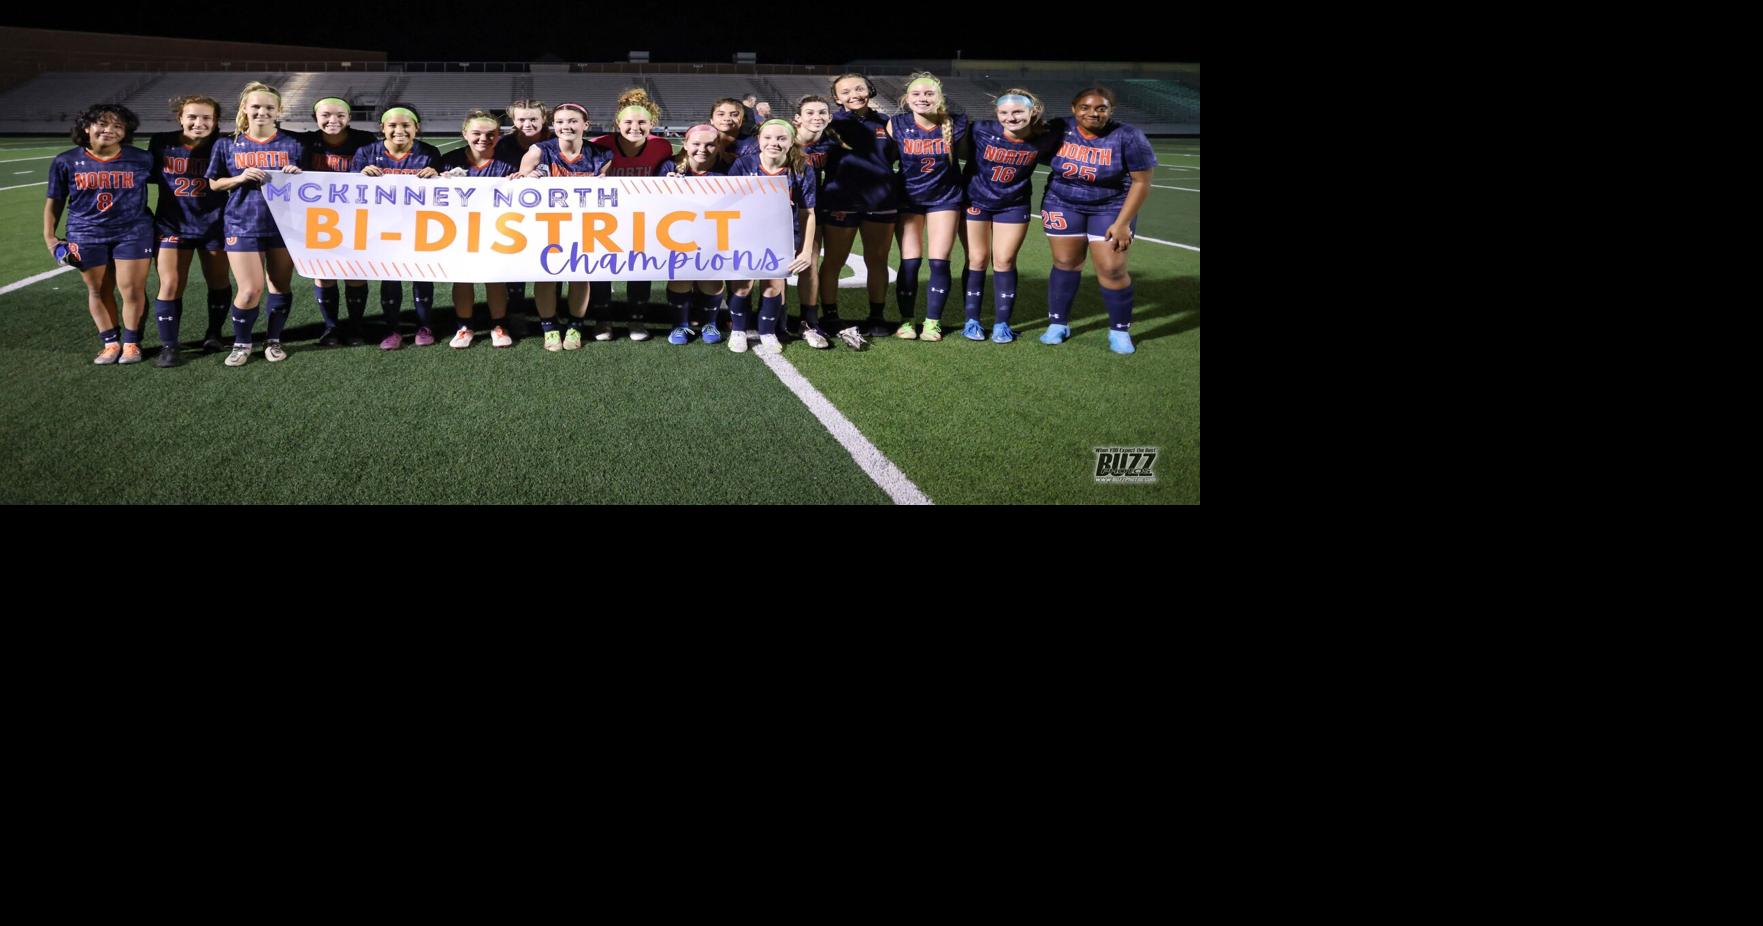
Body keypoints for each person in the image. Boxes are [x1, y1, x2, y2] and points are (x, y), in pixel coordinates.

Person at [1039, 87, 1157, 354]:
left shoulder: (1128, 136)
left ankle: (1119, 330)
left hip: (1111, 206)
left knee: (1112, 269)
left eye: (1101, 108)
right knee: (1066, 263)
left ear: (1110, 111)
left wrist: (1123, 222)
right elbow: (1029, 146)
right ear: (1073, 108)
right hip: (1062, 202)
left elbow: (1141, 182)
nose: (1092, 113)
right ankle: (1058, 324)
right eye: (1085, 107)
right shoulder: (1059, 129)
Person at [43, 102, 156, 365]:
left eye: (117, 126)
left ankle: (131, 342)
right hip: (85, 232)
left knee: (132, 289)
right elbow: (55, 201)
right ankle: (110, 342)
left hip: (133, 231)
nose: (110, 130)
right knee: (98, 289)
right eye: (103, 124)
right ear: (87, 127)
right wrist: (50, 237)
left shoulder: (141, 158)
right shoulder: (66, 161)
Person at [203, 82, 305, 366]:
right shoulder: (227, 144)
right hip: (242, 222)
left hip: (284, 226)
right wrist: (239, 178)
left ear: (279, 111)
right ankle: (242, 342)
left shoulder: (294, 143)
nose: (262, 112)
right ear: (245, 109)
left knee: (280, 285)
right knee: (250, 289)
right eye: (256, 107)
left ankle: (273, 340)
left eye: (269, 107)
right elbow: (214, 183)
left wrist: (296, 175)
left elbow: (311, 185)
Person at [961, 88, 1058, 343]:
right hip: (975, 201)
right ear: (996, 113)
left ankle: (1002, 323)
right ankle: (972, 320)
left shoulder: (1044, 138)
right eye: (1004, 112)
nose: (1010, 117)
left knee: (1004, 261)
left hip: (1013, 204)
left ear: (1032, 112)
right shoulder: (980, 130)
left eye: (1018, 112)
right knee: (977, 259)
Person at [517, 102, 612, 351]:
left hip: (584, 225)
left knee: (579, 274)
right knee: (546, 275)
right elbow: (516, 190)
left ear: (585, 125)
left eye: (572, 121)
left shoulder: (602, 155)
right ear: (553, 125)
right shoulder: (538, 151)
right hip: (545, 225)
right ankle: (549, 328)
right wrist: (526, 179)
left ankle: (575, 326)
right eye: (559, 122)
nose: (565, 126)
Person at [146, 95, 230, 366]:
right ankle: (170, 346)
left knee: (218, 281)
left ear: (215, 121)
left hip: (215, 223)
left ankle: (214, 333)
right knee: (170, 284)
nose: (198, 122)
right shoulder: (161, 143)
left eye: (206, 117)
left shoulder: (225, 144)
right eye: (192, 116)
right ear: (180, 117)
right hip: (173, 224)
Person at [350, 104, 443, 350]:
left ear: (416, 128)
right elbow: (349, 192)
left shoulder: (429, 153)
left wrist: (436, 175)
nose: (399, 130)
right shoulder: (366, 152)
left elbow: (443, 193)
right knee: (389, 277)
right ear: (382, 128)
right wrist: (360, 176)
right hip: (381, 227)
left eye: (406, 125)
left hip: (419, 225)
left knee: (421, 274)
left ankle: (425, 325)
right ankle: (392, 328)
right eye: (392, 125)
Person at [886, 72, 969, 342]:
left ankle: (932, 322)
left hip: (944, 199)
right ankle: (907, 321)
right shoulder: (895, 124)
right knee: (909, 263)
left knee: (939, 262)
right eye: (917, 94)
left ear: (940, 98)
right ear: (906, 99)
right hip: (909, 199)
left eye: (929, 94)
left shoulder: (956, 124)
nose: (923, 98)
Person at [817, 73, 899, 339]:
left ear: (870, 90)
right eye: (846, 91)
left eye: (859, 88)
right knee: (833, 261)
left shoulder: (886, 123)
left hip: (881, 200)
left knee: (877, 260)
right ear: (836, 98)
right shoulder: (829, 123)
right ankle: (830, 316)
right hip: (841, 200)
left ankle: (876, 316)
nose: (854, 94)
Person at [589, 87, 675, 342]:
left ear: (652, 124)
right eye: (628, 122)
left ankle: (637, 319)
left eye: (641, 122)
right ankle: (602, 319)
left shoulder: (661, 146)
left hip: (644, 218)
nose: (634, 127)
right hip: (606, 218)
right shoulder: (599, 145)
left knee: (641, 266)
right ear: (617, 123)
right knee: (601, 267)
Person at [726, 119, 818, 353]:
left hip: (782, 236)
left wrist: (806, 250)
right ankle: (738, 330)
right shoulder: (743, 165)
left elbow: (808, 212)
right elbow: (727, 203)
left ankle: (767, 332)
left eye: (781, 138)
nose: (773, 143)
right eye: (767, 138)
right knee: (742, 286)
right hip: (745, 235)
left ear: (791, 141)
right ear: (759, 140)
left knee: (773, 285)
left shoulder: (801, 169)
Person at [437, 110, 519, 349]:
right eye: (476, 133)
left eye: (490, 134)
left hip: (498, 230)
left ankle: (499, 324)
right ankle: (464, 326)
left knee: (494, 278)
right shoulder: (449, 161)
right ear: (465, 133)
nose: (483, 138)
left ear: (498, 135)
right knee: (463, 277)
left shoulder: (509, 163)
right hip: (459, 230)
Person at [301, 96, 377, 345]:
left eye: (340, 115)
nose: (333, 120)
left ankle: (356, 326)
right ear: (315, 118)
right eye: (325, 115)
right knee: (323, 273)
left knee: (355, 272)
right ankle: (331, 327)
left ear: (350, 117)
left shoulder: (365, 141)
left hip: (355, 216)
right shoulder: (305, 142)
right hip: (317, 217)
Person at [660, 124, 727, 345]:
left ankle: (710, 322)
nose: (703, 149)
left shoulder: (728, 167)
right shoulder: (670, 166)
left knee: (712, 278)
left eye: (709, 144)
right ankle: (680, 324)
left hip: (715, 232)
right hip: (678, 232)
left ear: (718, 145)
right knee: (680, 276)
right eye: (696, 144)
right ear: (686, 145)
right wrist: (664, 188)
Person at [493, 98, 552, 321]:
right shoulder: (503, 144)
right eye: (521, 119)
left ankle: (551, 312)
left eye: (533, 119)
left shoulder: (557, 141)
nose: (527, 123)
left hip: (550, 212)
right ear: (513, 120)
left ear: (544, 119)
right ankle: (517, 311)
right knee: (515, 260)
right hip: (512, 212)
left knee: (550, 260)